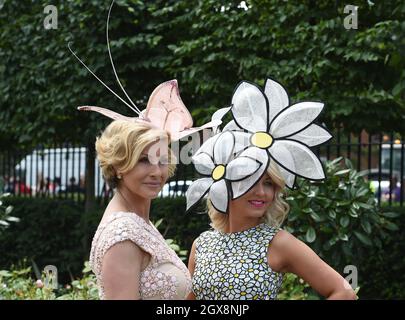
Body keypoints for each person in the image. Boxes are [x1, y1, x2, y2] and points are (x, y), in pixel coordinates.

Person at [185, 78, 358, 300]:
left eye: (269, 183)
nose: (262, 192)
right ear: (226, 182)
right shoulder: (202, 244)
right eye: (251, 180)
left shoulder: (278, 243)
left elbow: (344, 292)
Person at [89, 120, 192, 299]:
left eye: (162, 161)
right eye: (144, 160)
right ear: (118, 166)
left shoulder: (138, 221)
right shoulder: (122, 234)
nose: (157, 172)